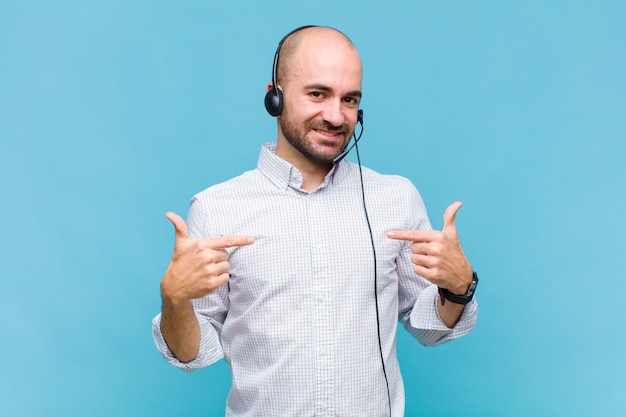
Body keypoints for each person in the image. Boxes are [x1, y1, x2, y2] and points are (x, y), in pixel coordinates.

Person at [152, 26, 478, 417]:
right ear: (275, 96)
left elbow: (428, 327)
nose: (336, 116)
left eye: (350, 99)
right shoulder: (217, 208)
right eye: (317, 94)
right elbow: (194, 352)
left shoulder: (396, 198)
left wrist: (459, 287)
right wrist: (174, 301)